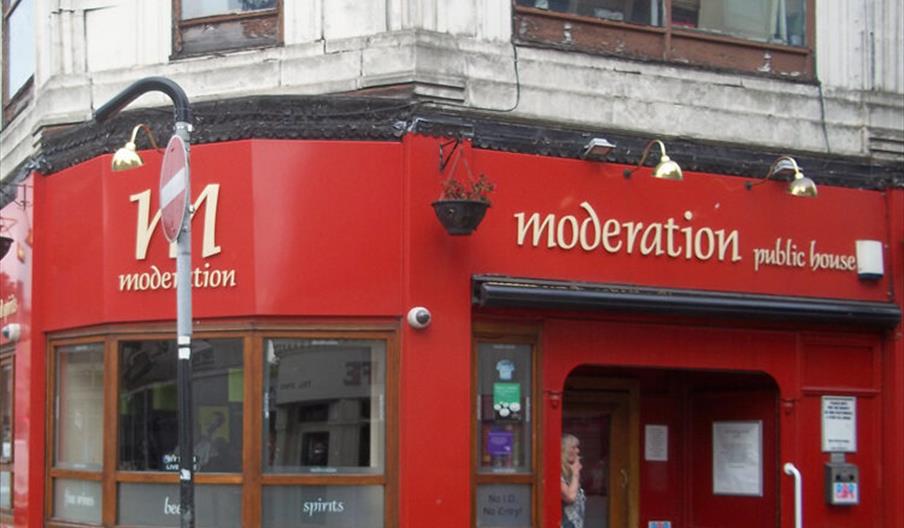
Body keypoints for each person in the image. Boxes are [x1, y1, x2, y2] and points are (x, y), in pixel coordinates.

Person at [561, 433, 586, 528]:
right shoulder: (556, 472)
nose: (577, 451)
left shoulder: (568, 473)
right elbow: (570, 497)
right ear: (563, 450)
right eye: (573, 447)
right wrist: (575, 474)